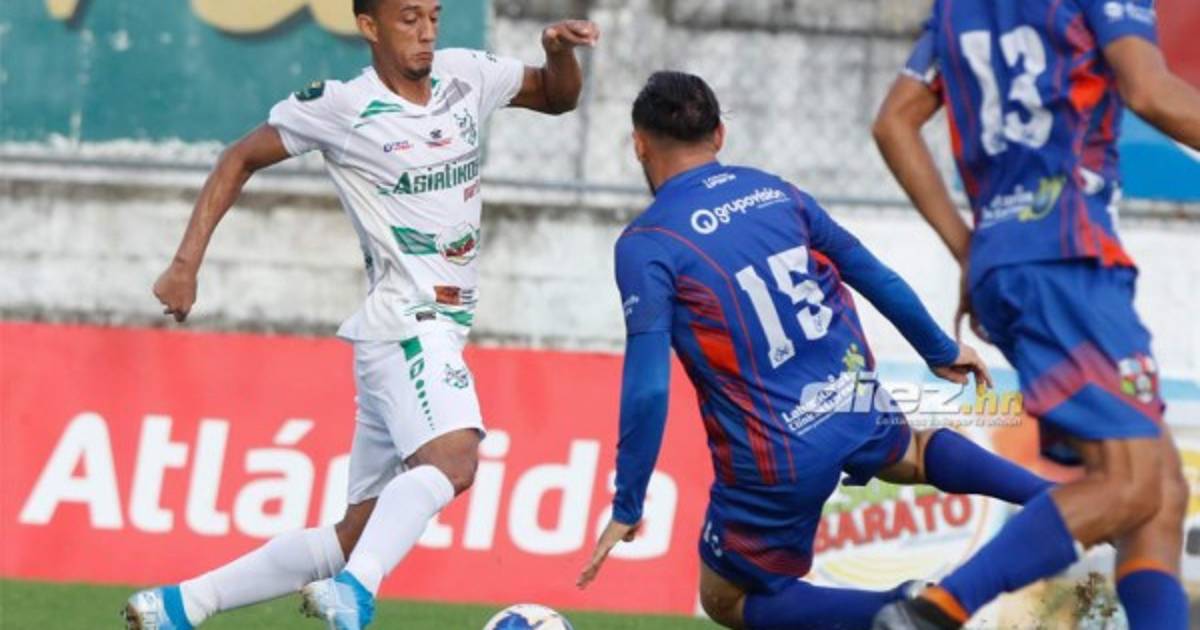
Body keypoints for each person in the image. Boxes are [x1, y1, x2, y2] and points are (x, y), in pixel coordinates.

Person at [125, 1, 598, 628]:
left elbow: (558, 99)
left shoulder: (466, 75)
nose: (426, 32)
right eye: (408, 18)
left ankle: (180, 605)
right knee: (454, 461)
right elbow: (238, 157)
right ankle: (355, 591)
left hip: (414, 334)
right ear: (369, 27)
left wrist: (557, 53)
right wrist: (185, 264)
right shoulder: (343, 107)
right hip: (408, 323)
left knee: (355, 535)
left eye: (433, 16)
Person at [577, 71, 1052, 630]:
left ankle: (905, 607)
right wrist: (938, 347)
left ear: (638, 144)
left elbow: (649, 387)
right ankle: (1061, 500)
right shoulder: (774, 192)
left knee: (726, 598)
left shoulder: (647, 245)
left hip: (774, 454)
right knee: (915, 454)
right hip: (850, 400)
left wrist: (629, 502)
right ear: (720, 134)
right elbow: (871, 272)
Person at [871, 0, 1200, 627]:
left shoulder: (957, 8)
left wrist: (969, 250)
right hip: (1067, 260)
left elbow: (894, 121)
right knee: (1133, 484)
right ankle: (936, 610)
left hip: (1015, 261)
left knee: (1159, 493)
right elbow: (1150, 91)